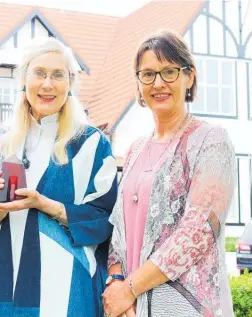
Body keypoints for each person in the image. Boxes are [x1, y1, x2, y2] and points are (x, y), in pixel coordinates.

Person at [0, 37, 118, 317]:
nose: (48, 84)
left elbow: (105, 218)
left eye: (58, 75)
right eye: (40, 73)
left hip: (66, 286)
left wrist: (44, 204)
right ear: (23, 80)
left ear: (70, 84)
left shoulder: (92, 145)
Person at [103, 30, 236, 317]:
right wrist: (116, 283)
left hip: (183, 307)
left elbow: (197, 233)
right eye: (148, 74)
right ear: (138, 83)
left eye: (169, 72)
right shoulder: (135, 149)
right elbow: (118, 233)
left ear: (189, 77)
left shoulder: (211, 141)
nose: (158, 83)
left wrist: (130, 289)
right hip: (131, 308)